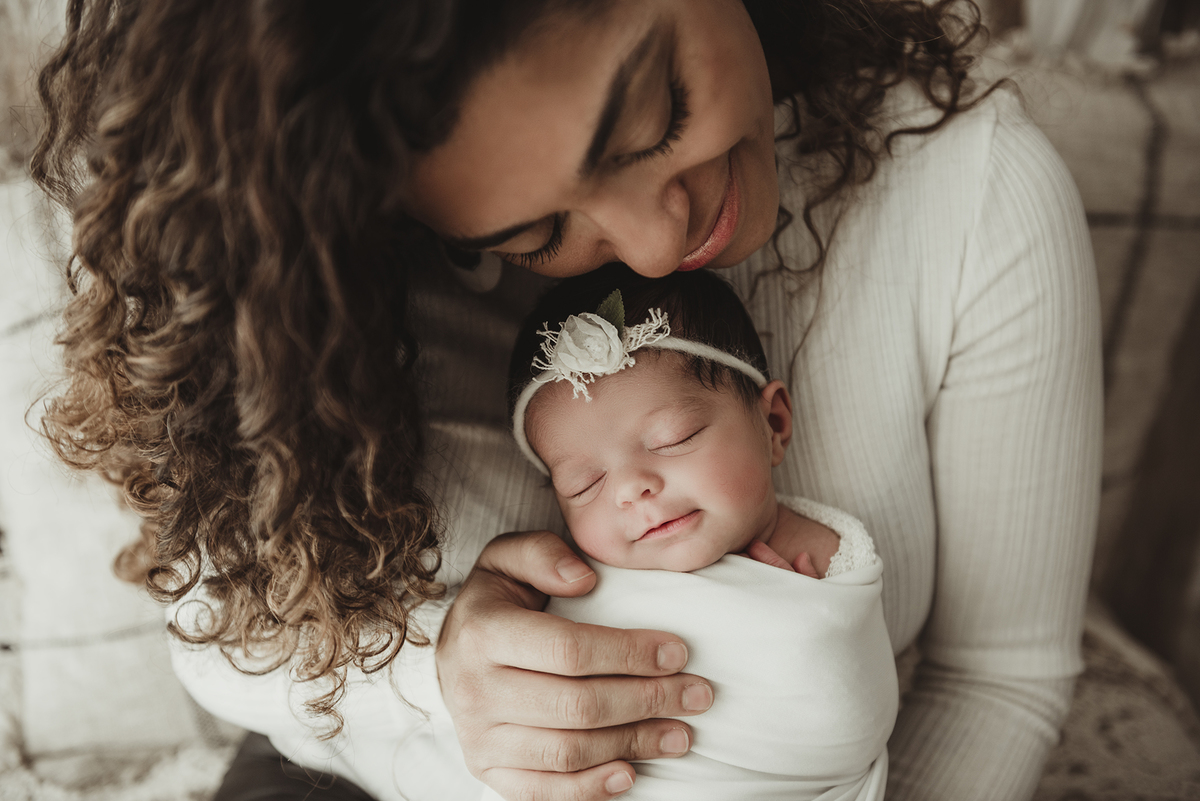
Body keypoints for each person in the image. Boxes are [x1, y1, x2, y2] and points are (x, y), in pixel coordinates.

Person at [29, 0, 1102, 800]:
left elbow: (996, 675)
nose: (657, 242)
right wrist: (430, 674)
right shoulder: (328, 306)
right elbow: (224, 650)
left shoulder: (971, 198)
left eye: (659, 113)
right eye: (535, 238)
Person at [499, 264, 897, 801]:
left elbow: (849, 713)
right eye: (584, 483)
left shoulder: (824, 558)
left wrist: (785, 625)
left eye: (672, 439)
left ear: (773, 424)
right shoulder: (573, 586)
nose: (631, 490)